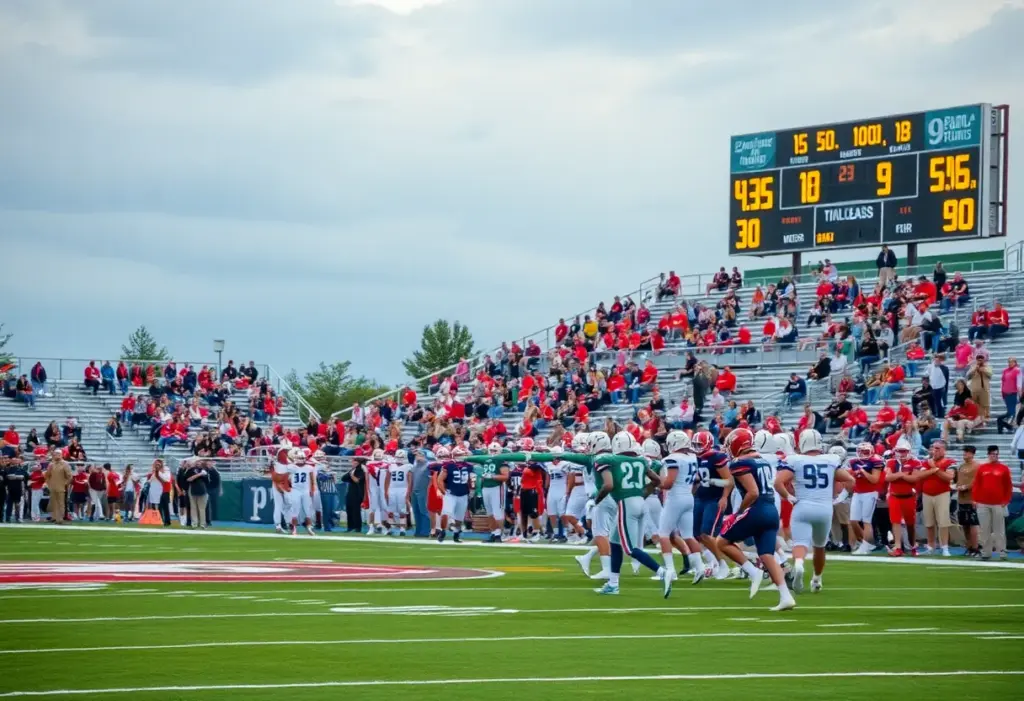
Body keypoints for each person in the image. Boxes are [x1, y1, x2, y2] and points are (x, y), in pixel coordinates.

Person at [719, 428, 795, 611]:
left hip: (757, 509)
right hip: (771, 510)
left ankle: (753, 572)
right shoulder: (762, 459)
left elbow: (753, 492)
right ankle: (786, 597)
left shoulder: (738, 463)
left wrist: (738, 512)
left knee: (721, 542)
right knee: (767, 555)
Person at [776, 433, 853, 592]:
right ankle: (817, 580)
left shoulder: (795, 460)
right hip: (824, 509)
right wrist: (840, 499)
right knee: (820, 546)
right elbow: (851, 481)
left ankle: (798, 564)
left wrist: (788, 497)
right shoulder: (830, 459)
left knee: (800, 544)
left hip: (802, 507)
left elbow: (778, 482)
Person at [657, 431, 706, 585]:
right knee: (688, 535)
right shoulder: (692, 457)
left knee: (663, 534)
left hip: (675, 497)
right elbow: (697, 480)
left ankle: (670, 570)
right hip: (688, 497)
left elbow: (669, 482)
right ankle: (700, 567)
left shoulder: (673, 458)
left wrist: (657, 483)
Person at [973, 446, 1013, 560]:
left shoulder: (1004, 469)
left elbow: (1008, 486)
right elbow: (977, 484)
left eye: (996, 454)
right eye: (992, 454)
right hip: (982, 503)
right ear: (988, 455)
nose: (994, 456)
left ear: (998, 455)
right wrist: (975, 499)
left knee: (999, 529)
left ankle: (1002, 552)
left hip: (998, 503)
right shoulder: (982, 468)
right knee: (984, 529)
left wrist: (1006, 500)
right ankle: (986, 552)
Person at [917, 441, 954, 556]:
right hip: (927, 494)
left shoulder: (949, 462)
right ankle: (931, 546)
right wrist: (935, 470)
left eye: (938, 448)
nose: (935, 450)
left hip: (942, 494)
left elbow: (949, 477)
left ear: (944, 450)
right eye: (933, 448)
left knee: (943, 522)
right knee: (929, 523)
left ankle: (945, 547)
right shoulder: (926, 462)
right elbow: (920, 475)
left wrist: (934, 469)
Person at [884, 439, 921, 556]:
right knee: (895, 521)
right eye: (899, 451)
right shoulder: (891, 462)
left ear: (908, 451)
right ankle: (898, 547)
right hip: (895, 495)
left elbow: (914, 479)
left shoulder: (915, 462)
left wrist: (898, 476)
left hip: (909, 496)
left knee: (910, 523)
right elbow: (888, 478)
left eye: (904, 451)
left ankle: (912, 545)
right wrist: (902, 475)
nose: (902, 453)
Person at [848, 442, 884, 554]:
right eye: (861, 451)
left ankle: (865, 545)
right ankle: (866, 543)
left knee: (866, 521)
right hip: (857, 492)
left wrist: (863, 472)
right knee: (853, 520)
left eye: (865, 451)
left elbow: (874, 479)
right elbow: (850, 476)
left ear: (871, 451)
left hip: (870, 493)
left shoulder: (876, 460)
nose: (863, 454)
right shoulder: (853, 461)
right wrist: (854, 473)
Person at [437, 446, 473, 543]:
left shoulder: (469, 466)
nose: (463, 456)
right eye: (461, 454)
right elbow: (440, 480)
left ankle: (456, 533)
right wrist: (445, 492)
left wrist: (471, 489)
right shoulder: (448, 465)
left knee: (459, 517)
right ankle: (443, 531)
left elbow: (470, 480)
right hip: (451, 493)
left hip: (463, 494)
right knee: (446, 513)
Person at [953, 446, 980, 557]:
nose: (964, 454)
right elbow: (959, 481)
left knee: (973, 524)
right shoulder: (961, 466)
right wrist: (957, 486)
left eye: (967, 452)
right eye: (964, 452)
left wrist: (966, 487)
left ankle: (976, 548)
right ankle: (969, 547)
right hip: (962, 499)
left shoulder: (977, 466)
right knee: (964, 524)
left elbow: (977, 481)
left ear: (972, 454)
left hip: (972, 498)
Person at [385, 449, 412, 536]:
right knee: (390, 510)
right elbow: (387, 479)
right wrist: (386, 491)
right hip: (392, 489)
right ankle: (389, 528)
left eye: (401, 457)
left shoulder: (408, 466)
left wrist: (408, 492)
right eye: (398, 457)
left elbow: (409, 481)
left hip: (403, 489)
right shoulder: (391, 466)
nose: (400, 459)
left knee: (402, 510)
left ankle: (402, 529)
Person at [44, 451, 73, 524]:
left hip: (61, 487)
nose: (56, 456)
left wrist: (65, 484)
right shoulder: (51, 464)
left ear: (61, 455)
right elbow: (47, 475)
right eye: (55, 454)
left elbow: (70, 476)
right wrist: (48, 484)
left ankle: (60, 519)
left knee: (61, 503)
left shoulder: (65, 464)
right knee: (53, 502)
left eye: (58, 454)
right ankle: (54, 517)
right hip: (53, 486)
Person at [184, 460, 211, 529]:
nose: (198, 463)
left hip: (202, 490)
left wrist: (203, 474)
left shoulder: (205, 470)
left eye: (200, 462)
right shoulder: (191, 470)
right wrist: (199, 474)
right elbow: (189, 479)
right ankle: (194, 523)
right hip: (192, 489)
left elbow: (207, 481)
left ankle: (202, 523)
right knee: (193, 507)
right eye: (197, 462)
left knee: (201, 508)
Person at [342, 457, 366, 533]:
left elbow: (357, 480)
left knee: (356, 510)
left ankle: (357, 527)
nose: (352, 463)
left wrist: (351, 476)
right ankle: (350, 526)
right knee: (349, 509)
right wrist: (350, 474)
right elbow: (343, 478)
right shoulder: (352, 470)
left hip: (358, 492)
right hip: (350, 492)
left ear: (358, 462)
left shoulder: (361, 471)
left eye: (354, 462)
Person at [966, 355, 993, 421]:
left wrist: (983, 370)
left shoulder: (988, 367)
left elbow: (990, 375)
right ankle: (976, 418)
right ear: (976, 360)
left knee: (985, 404)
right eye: (978, 359)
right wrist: (975, 369)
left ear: (984, 360)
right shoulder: (973, 367)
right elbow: (968, 375)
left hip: (984, 389)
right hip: (974, 389)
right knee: (975, 404)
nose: (980, 360)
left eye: (981, 359)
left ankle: (986, 418)